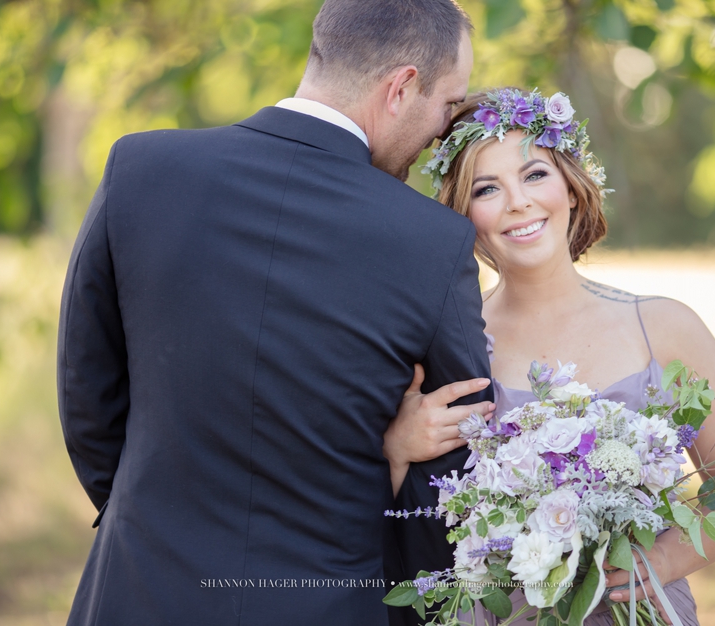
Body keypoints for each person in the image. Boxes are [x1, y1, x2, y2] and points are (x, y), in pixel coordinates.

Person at [56, 2, 496, 624]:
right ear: (400, 88)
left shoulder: (141, 170)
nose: (441, 131)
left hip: (141, 589)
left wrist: (152, 525)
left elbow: (87, 396)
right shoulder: (433, 241)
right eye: (447, 106)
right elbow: (455, 452)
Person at [383, 89, 715, 625]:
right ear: (462, 212)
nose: (518, 202)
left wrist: (660, 559)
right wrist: (396, 448)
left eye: (535, 175)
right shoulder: (442, 345)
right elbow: (398, 517)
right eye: (487, 188)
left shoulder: (664, 327)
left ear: (571, 184)